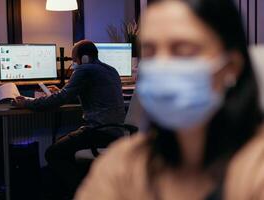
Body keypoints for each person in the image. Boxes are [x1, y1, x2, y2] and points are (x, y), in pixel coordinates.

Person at [75, 0, 264, 200]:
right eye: (150, 51)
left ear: (231, 66)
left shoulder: (256, 168)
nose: (162, 65)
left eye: (182, 50)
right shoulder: (124, 163)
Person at [13, 40, 125, 199]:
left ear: (84, 58)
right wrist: (63, 91)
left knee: (53, 153)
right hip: (115, 133)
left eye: (74, 60)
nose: (73, 64)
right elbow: (84, 93)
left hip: (99, 132)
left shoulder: (85, 69)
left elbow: (58, 101)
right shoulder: (111, 70)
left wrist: (27, 102)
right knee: (63, 147)